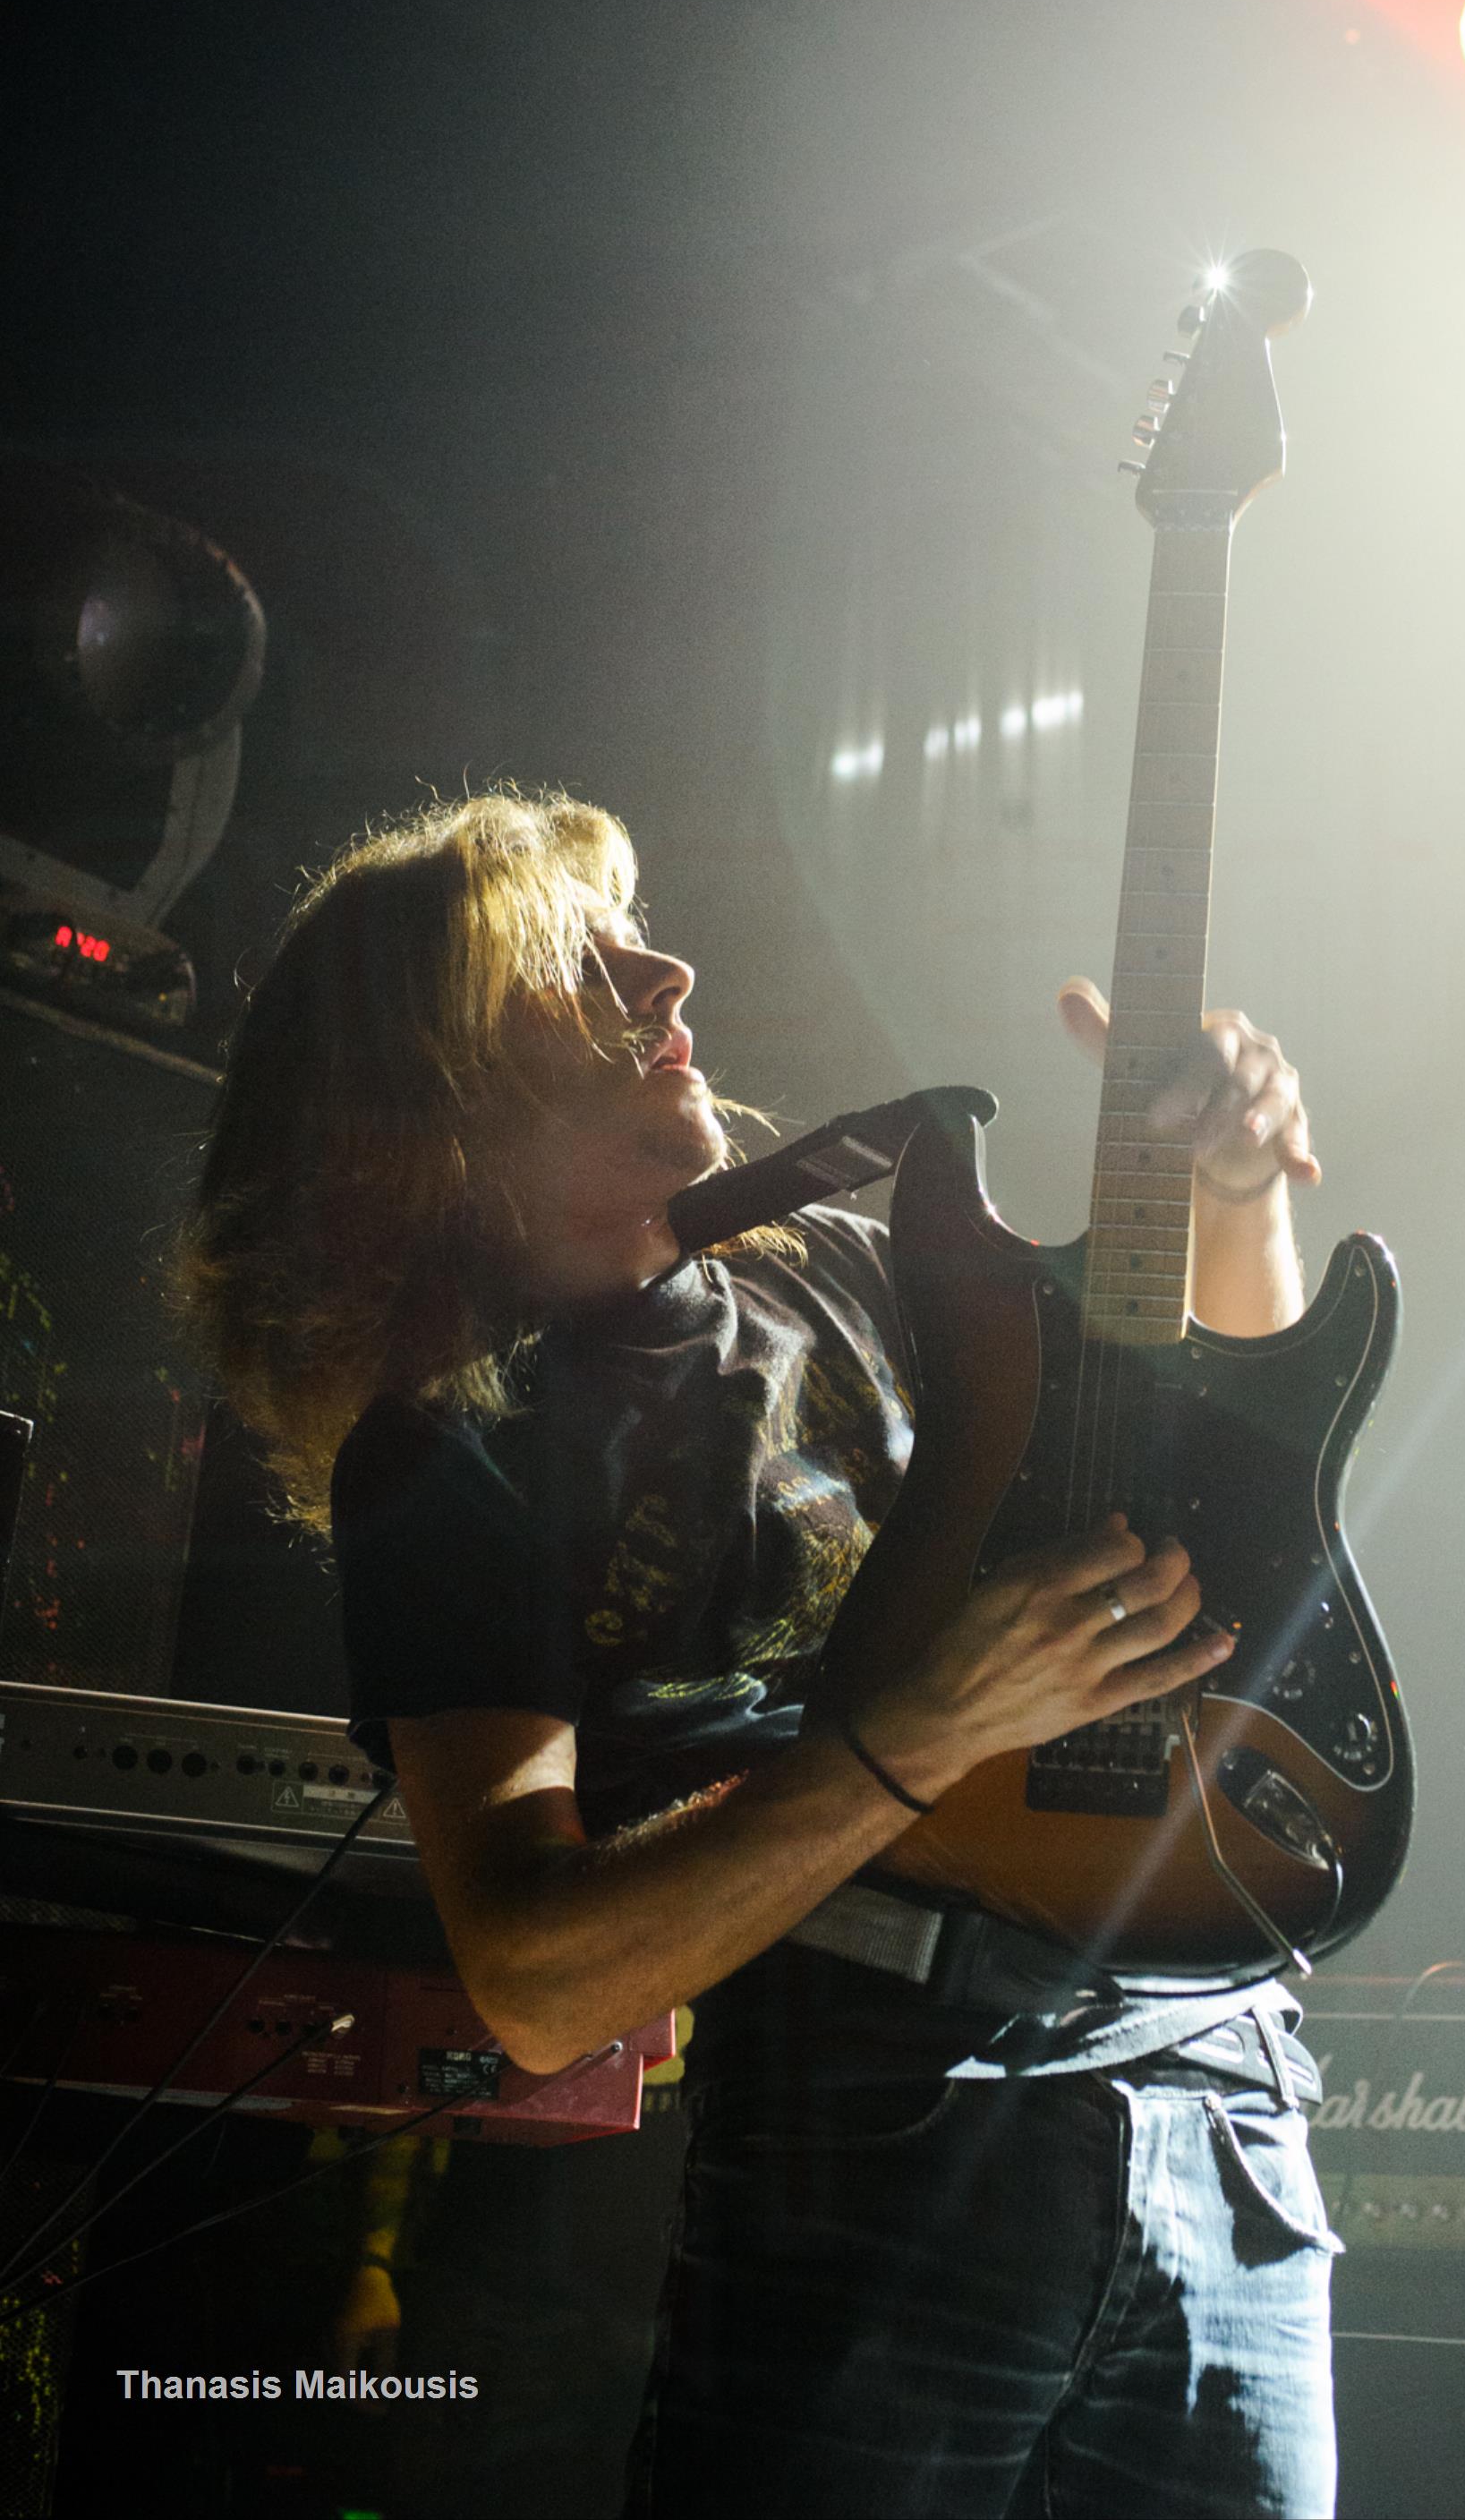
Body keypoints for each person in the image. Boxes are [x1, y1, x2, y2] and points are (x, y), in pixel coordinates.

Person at [179, 788, 1343, 2520]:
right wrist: (920, 1732)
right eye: (576, 962)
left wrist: (1238, 1201)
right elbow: (537, 1977)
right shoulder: (454, 1454)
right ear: (429, 1092)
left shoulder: (867, 1266)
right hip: (879, 2127)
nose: (665, 973)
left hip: (1222, 2082)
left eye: (638, 939)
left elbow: (1216, 1501)